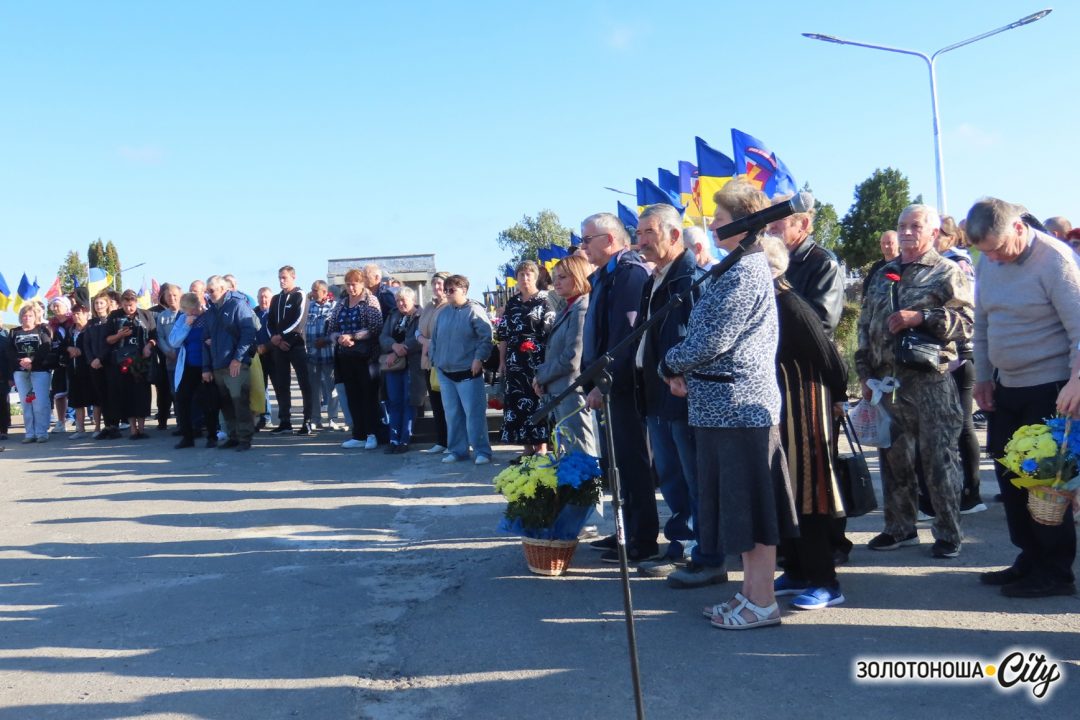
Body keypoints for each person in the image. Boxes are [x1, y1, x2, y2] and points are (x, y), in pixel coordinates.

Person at [662, 181, 797, 629]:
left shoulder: (745, 271)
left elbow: (712, 340)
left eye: (719, 218)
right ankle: (749, 595)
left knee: (753, 510)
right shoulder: (735, 266)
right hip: (723, 408)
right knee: (740, 510)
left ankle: (762, 602)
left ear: (744, 222)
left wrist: (670, 363)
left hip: (740, 408)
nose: (712, 225)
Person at [968, 198, 1079, 598]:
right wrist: (983, 377)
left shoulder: (1056, 260)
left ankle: (1055, 571)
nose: (993, 258)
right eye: (985, 252)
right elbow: (982, 324)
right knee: (1010, 475)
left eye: (998, 248)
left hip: (1051, 387)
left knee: (1045, 480)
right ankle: (1029, 557)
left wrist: (1077, 381)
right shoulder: (988, 262)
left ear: (1018, 227)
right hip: (1006, 386)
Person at [856, 204, 974, 559]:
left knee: (939, 460)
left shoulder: (946, 271)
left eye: (916, 226)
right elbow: (865, 324)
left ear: (934, 233)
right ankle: (900, 528)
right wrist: (865, 373)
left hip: (930, 382)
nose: (906, 232)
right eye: (902, 225)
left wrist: (921, 317)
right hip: (886, 382)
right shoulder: (883, 273)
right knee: (894, 460)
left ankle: (949, 532)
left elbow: (968, 323)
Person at [762, 236, 850, 610]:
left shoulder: (791, 304)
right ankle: (797, 569)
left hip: (807, 407)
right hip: (781, 408)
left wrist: (839, 398)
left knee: (810, 491)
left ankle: (825, 580)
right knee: (785, 491)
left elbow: (830, 358)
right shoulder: (767, 302)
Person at [632, 203, 708, 580]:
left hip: (681, 393)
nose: (641, 241)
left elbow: (700, 337)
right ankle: (681, 541)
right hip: (654, 392)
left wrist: (682, 375)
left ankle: (704, 549)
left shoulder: (691, 278)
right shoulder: (654, 279)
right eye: (638, 233)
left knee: (694, 475)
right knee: (671, 475)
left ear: (675, 234)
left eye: (649, 232)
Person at [579, 212, 658, 564]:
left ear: (609, 240)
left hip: (622, 386)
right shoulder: (605, 276)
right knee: (618, 465)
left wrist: (605, 384)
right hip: (606, 385)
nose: (583, 247)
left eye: (587, 240)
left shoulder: (629, 274)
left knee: (633, 462)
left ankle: (642, 540)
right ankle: (624, 530)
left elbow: (624, 337)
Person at [533, 256, 598, 457]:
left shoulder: (581, 308)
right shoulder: (567, 307)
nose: (556, 282)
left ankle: (586, 480)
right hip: (560, 391)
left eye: (562, 277)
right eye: (555, 277)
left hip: (572, 391)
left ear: (578, 277)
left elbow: (572, 357)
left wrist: (541, 375)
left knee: (580, 452)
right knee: (568, 451)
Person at [429, 274, 494, 465]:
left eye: (452, 290)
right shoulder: (443, 313)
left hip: (468, 371)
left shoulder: (474, 310)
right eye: (446, 290)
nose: (447, 293)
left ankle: (482, 451)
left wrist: (479, 358)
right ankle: (458, 450)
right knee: (452, 414)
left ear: (464, 290)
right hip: (445, 372)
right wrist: (435, 360)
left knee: (474, 414)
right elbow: (435, 339)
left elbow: (486, 337)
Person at [496, 260, 555, 460]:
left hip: (537, 359)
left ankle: (541, 448)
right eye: (521, 274)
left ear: (536, 277)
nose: (525, 278)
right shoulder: (512, 302)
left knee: (537, 401)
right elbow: (503, 334)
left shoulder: (545, 301)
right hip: (515, 360)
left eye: (529, 274)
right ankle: (526, 448)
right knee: (516, 401)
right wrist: (502, 361)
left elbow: (550, 334)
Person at [768, 194, 845, 336]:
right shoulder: (768, 261)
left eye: (779, 218)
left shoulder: (824, 264)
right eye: (769, 219)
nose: (771, 226)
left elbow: (823, 324)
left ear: (803, 224)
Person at [330, 268, 384, 450]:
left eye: (354, 284)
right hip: (346, 357)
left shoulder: (370, 300)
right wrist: (339, 338)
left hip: (367, 357)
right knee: (352, 395)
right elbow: (332, 328)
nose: (351, 288)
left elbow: (375, 328)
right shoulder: (341, 303)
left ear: (362, 284)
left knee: (369, 396)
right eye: (348, 284)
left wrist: (353, 336)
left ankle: (372, 434)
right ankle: (358, 434)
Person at [202, 275, 256, 451]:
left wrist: (237, 359)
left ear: (223, 289)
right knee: (226, 404)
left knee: (240, 402)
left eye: (211, 290)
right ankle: (233, 436)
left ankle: (245, 438)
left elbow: (248, 333)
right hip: (218, 365)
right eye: (207, 291)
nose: (208, 294)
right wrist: (206, 367)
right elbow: (205, 340)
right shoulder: (210, 312)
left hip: (235, 364)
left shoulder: (238, 305)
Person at [104, 289, 157, 440]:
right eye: (126, 305)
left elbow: (154, 336)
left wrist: (149, 346)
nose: (129, 308)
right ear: (121, 303)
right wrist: (119, 335)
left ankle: (142, 428)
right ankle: (133, 429)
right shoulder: (114, 316)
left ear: (136, 302)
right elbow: (107, 339)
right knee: (128, 395)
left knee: (142, 395)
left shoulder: (146, 315)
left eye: (131, 305)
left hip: (141, 362)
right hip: (123, 362)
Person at [171, 292, 220, 448]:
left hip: (207, 365)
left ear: (197, 306)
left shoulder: (209, 317)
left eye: (190, 309)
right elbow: (174, 341)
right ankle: (187, 437)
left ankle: (212, 436)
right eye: (185, 310)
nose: (189, 312)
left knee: (208, 401)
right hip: (189, 365)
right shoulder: (182, 319)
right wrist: (186, 325)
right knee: (182, 399)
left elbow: (218, 336)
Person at [267, 265, 313, 435]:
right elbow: (270, 322)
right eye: (279, 277)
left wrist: (282, 337)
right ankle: (285, 421)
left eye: (284, 277)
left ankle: (307, 421)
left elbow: (299, 321)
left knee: (304, 384)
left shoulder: (300, 295)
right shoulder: (276, 299)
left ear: (293, 277)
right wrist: (275, 339)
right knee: (281, 384)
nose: (281, 281)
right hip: (279, 347)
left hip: (297, 346)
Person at [379, 287, 423, 453]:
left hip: (412, 365)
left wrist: (400, 349)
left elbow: (419, 338)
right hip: (393, 366)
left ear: (413, 300)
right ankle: (393, 438)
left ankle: (405, 439)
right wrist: (393, 346)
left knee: (408, 401)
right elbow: (383, 337)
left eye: (403, 300)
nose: (400, 303)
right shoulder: (393, 315)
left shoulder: (421, 315)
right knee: (394, 401)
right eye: (397, 300)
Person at [417, 272, 451, 453]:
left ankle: (453, 441)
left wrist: (433, 342)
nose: (437, 287)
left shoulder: (450, 306)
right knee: (436, 404)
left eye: (440, 283)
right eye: (434, 283)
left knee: (449, 405)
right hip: (428, 361)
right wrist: (424, 341)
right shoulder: (428, 306)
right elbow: (418, 331)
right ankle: (441, 440)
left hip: (444, 361)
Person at [10, 304, 53, 443]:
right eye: (24, 315)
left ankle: (41, 433)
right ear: (20, 317)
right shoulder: (14, 332)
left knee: (39, 402)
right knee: (26, 402)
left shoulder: (42, 330)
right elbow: (9, 351)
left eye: (30, 315)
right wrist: (21, 361)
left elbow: (46, 348)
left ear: (35, 317)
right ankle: (30, 433)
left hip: (39, 370)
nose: (27, 318)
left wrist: (32, 360)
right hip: (20, 371)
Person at [305, 279, 341, 430]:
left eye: (315, 290)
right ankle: (315, 418)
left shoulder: (335, 307)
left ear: (325, 292)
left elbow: (338, 329)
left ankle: (333, 418)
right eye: (312, 289)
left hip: (329, 354)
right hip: (312, 354)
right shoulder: (309, 306)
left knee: (332, 388)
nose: (312, 293)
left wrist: (326, 340)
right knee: (314, 389)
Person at [62, 303, 94, 438]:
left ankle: (98, 428)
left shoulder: (91, 328)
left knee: (94, 399)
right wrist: (69, 348)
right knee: (77, 400)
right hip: (74, 370)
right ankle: (80, 429)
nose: (75, 316)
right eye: (74, 314)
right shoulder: (70, 330)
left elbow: (95, 346)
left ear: (86, 314)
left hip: (90, 369)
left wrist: (82, 352)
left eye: (78, 313)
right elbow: (62, 347)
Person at [154, 283, 182, 431]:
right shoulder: (162, 317)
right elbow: (159, 337)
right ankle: (180, 424)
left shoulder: (187, 313)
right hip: (170, 361)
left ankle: (190, 423)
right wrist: (168, 352)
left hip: (186, 360)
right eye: (169, 295)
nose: (172, 298)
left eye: (175, 295)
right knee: (174, 392)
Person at [47, 296, 73, 433]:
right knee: (59, 393)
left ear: (66, 307)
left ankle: (79, 422)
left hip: (73, 360)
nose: (55, 308)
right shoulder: (51, 325)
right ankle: (61, 422)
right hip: (58, 362)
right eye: (53, 306)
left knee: (76, 391)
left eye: (58, 305)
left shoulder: (72, 322)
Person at [253, 286, 274, 430]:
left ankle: (285, 419)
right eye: (261, 297)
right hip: (258, 355)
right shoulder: (253, 313)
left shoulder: (274, 313)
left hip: (274, 353)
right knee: (261, 387)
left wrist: (267, 346)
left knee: (279, 387)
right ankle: (265, 417)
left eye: (266, 297)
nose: (263, 299)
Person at [862, 231, 900, 295]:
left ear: (899, 244)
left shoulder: (904, 264)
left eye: (889, 243)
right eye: (883, 243)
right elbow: (866, 288)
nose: (886, 246)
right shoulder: (876, 267)